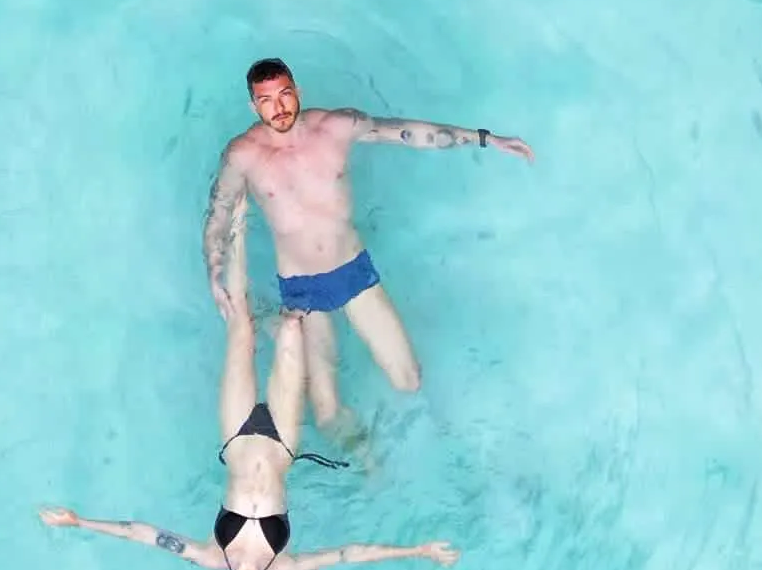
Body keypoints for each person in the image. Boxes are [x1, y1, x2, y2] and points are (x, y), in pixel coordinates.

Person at [40, 300, 457, 570]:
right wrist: (417, 551)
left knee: (242, 329)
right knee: (294, 330)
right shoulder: (283, 566)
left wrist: (80, 522)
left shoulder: (209, 555)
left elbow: (143, 534)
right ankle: (287, 313)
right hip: (281, 443)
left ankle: (244, 255)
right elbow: (348, 554)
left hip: (238, 438)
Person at [200, 58, 533, 425]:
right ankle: (266, 315)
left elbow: (408, 132)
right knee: (327, 413)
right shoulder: (244, 155)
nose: (278, 108)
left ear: (299, 92)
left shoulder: (336, 126)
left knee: (409, 381)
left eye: (285, 95)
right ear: (253, 105)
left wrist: (486, 138)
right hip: (301, 290)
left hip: (353, 271)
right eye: (266, 100)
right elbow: (219, 211)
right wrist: (215, 272)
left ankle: (267, 318)